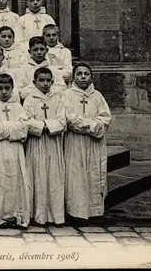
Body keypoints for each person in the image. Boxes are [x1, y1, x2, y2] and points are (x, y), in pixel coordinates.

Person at [62, 63, 111, 225]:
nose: (83, 77)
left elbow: (104, 118)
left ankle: (95, 211)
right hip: (74, 142)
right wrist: (90, 125)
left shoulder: (97, 96)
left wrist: (89, 126)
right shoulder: (67, 95)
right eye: (79, 74)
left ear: (91, 77)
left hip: (94, 143)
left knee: (94, 172)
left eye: (86, 74)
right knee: (75, 174)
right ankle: (76, 212)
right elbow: (68, 118)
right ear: (74, 77)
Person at [23, 67, 66, 226]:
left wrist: (48, 126)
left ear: (53, 82)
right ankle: (38, 214)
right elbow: (26, 120)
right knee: (37, 175)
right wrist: (43, 127)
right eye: (41, 80)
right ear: (34, 82)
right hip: (37, 143)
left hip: (53, 143)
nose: (45, 83)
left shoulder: (57, 98)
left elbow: (62, 120)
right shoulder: (30, 99)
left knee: (54, 177)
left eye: (48, 80)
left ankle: (55, 215)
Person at [0, 73, 30, 229]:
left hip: (15, 149)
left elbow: (24, 128)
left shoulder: (18, 106)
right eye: (0, 89)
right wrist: (12, 128)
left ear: (12, 89)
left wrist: (4, 129)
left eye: (7, 88)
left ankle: (14, 215)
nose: (4, 92)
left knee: (15, 180)